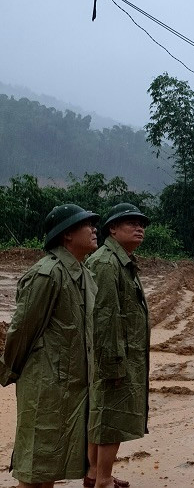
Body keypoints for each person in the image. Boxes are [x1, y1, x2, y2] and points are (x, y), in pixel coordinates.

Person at [0, 204, 99, 488]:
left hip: (73, 388)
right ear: (67, 235)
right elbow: (22, 330)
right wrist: (9, 370)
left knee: (51, 468)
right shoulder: (47, 273)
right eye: (87, 225)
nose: (94, 230)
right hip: (46, 386)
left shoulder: (84, 275)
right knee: (35, 470)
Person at [84, 203, 151, 488]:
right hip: (114, 355)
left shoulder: (120, 259)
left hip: (123, 353)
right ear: (112, 229)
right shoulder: (106, 263)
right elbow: (104, 316)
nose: (139, 228)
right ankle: (102, 480)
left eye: (142, 225)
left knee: (106, 414)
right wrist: (113, 361)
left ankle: (96, 474)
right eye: (131, 223)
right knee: (111, 417)